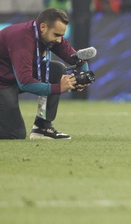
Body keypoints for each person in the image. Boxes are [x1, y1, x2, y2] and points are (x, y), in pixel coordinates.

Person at [0, 8, 90, 139]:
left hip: (12, 78)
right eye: (57, 35)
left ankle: (42, 128)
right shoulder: (22, 38)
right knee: (14, 134)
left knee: (56, 70)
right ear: (43, 27)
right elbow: (25, 83)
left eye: (62, 35)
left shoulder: (49, 35)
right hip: (3, 84)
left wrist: (83, 76)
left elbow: (77, 60)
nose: (59, 40)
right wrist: (59, 88)